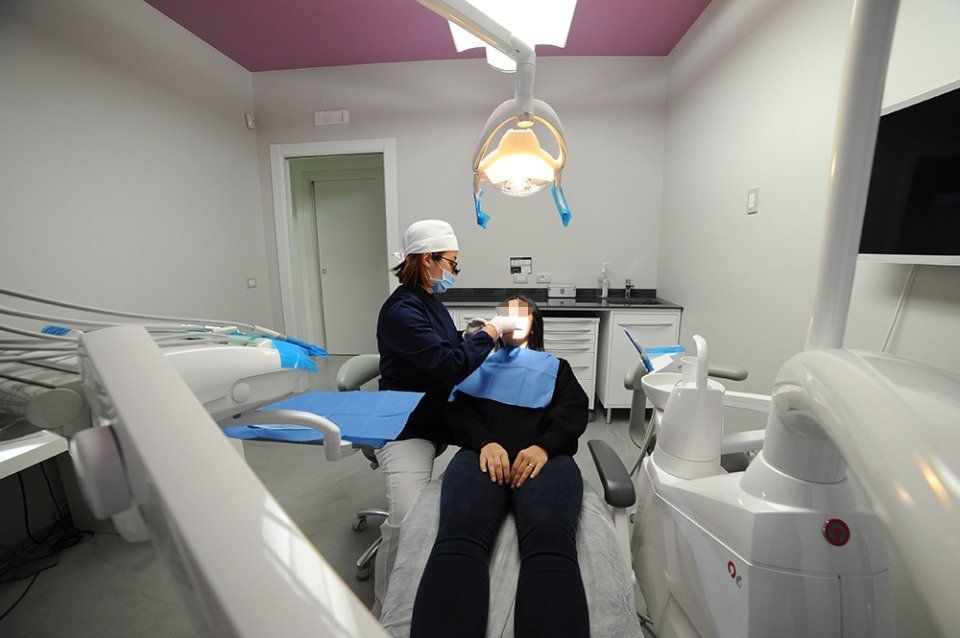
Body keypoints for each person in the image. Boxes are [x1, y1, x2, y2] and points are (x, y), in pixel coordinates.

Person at [410, 296, 590, 638]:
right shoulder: (479, 365)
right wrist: (484, 442)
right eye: (504, 312)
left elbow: (574, 412)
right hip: (482, 457)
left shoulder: (556, 367)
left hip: (543, 462)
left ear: (534, 325)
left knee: (550, 540)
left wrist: (544, 447)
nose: (509, 317)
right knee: (459, 536)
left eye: (519, 312)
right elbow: (458, 411)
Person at [374, 220, 518, 613]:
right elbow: (450, 363)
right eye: (451, 264)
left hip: (441, 409)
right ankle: (386, 608)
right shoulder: (401, 311)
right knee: (407, 518)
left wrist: (469, 335)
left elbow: (448, 345)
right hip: (407, 424)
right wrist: (488, 332)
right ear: (426, 260)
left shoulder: (429, 301)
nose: (453, 272)